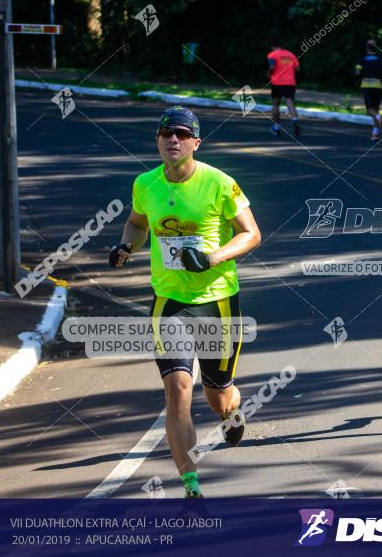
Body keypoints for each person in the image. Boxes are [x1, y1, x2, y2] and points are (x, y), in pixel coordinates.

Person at [109, 106, 261, 497]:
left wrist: (212, 258)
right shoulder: (145, 183)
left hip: (217, 301)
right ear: (157, 140)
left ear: (195, 142)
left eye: (181, 133)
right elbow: (138, 223)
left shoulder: (219, 183)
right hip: (169, 301)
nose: (172, 139)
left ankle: (232, 411)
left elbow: (251, 234)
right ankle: (191, 487)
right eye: (165, 133)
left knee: (218, 393)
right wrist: (127, 245)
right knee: (178, 388)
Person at [355, 40, 382, 140]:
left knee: (370, 110)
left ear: (367, 48)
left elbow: (357, 72)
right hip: (379, 86)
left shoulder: (362, 59)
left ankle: (380, 118)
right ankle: (375, 134)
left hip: (367, 86)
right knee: (376, 109)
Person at [267, 42, 301, 137]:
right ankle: (295, 120)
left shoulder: (272, 54)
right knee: (290, 102)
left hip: (277, 82)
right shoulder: (291, 54)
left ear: (272, 46)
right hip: (290, 82)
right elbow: (298, 69)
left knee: (275, 104)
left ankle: (276, 127)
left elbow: (272, 66)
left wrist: (269, 73)